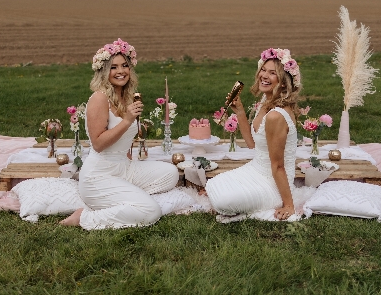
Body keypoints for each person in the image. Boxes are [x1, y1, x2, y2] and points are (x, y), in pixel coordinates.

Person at [61, 39, 179, 229]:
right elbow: (98, 144)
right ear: (104, 71)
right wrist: (127, 121)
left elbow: (125, 140)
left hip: (124, 168)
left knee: (171, 174)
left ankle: (124, 195)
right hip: (98, 176)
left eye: (125, 65)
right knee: (151, 211)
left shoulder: (127, 97)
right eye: (113, 67)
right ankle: (83, 217)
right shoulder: (99, 99)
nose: (120, 71)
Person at [205, 48, 302, 221]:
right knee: (212, 184)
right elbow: (252, 145)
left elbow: (278, 165)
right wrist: (240, 112)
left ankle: (276, 199)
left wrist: (288, 205)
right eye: (263, 70)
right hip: (256, 169)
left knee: (221, 201)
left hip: (273, 183)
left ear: (284, 82)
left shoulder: (276, 116)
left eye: (272, 73)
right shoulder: (266, 101)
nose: (264, 75)